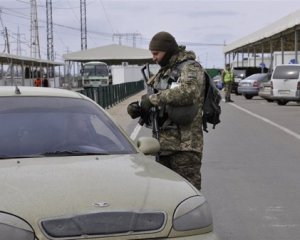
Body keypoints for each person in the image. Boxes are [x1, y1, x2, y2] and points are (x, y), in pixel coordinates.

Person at [129, 31, 205, 190]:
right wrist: (139, 107)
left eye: (156, 53)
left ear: (168, 50)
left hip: (184, 148)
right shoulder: (163, 72)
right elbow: (154, 96)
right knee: (166, 194)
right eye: (152, 54)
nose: (153, 58)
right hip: (162, 146)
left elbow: (189, 91)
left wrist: (153, 100)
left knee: (188, 195)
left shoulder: (190, 67)